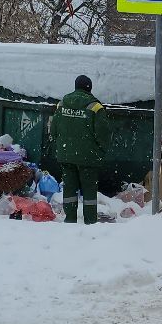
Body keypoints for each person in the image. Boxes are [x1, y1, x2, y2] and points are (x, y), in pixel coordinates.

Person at [50, 74, 110, 226]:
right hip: (88, 158)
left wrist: (62, 146)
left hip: (66, 156)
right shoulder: (95, 107)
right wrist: (101, 151)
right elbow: (103, 134)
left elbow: (53, 130)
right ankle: (90, 222)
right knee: (89, 191)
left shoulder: (62, 103)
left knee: (69, 189)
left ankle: (70, 219)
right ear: (89, 88)